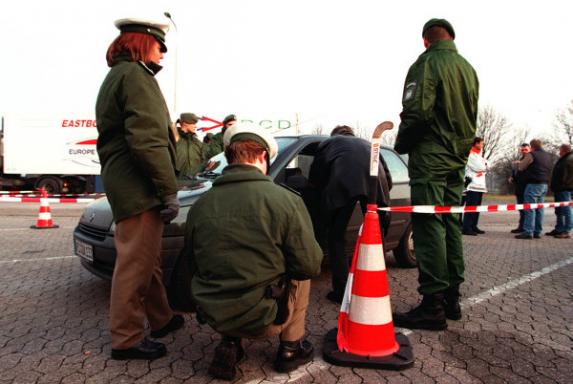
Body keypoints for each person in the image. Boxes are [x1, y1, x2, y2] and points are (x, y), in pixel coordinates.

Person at [183, 124, 323, 380]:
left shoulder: (199, 205)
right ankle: (291, 348)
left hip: (214, 313)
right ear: (262, 156)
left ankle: (230, 343)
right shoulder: (286, 201)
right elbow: (310, 266)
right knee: (301, 274)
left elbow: (192, 263)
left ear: (230, 157)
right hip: (265, 318)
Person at [95, 17, 184, 360]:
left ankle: (161, 319)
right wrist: (168, 189)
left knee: (149, 261)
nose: (163, 52)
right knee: (135, 264)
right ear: (141, 42)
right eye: (160, 45)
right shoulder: (135, 76)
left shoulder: (119, 75)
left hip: (129, 182)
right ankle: (127, 339)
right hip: (139, 184)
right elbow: (147, 141)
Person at [393, 18, 479, 330]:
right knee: (451, 223)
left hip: (431, 155)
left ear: (426, 41)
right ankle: (452, 298)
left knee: (429, 224)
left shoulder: (427, 64)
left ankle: (432, 305)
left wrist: (402, 143)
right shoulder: (468, 69)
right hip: (457, 157)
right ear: (451, 38)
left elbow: (417, 112)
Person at [308, 124, 392, 304]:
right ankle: (375, 285)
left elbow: (315, 177)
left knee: (336, 237)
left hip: (342, 184)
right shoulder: (368, 144)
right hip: (374, 184)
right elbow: (388, 177)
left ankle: (341, 290)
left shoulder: (329, 143)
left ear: (335, 134)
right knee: (377, 236)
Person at [514, 139, 553, 239]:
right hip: (544, 185)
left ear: (532, 147)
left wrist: (519, 163)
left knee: (529, 208)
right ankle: (537, 231)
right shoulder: (548, 156)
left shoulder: (532, 155)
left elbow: (521, 167)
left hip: (533, 184)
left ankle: (528, 232)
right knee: (539, 209)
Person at [462, 137, 488, 235]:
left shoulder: (479, 155)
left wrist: (485, 166)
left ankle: (473, 225)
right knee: (471, 207)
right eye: (481, 144)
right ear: (476, 144)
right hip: (473, 185)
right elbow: (480, 167)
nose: (482, 145)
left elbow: (487, 165)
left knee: (477, 208)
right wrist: (484, 166)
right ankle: (466, 227)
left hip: (480, 185)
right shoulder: (471, 154)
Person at [547, 144, 573, 238]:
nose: (559, 151)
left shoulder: (569, 159)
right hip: (559, 189)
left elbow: (568, 175)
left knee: (566, 210)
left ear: (564, 150)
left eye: (560, 149)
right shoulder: (564, 158)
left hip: (564, 189)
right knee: (559, 210)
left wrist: (564, 184)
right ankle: (559, 228)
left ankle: (566, 230)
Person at [509, 143, 531, 233]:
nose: (524, 152)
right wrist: (512, 177)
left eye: (526, 150)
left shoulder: (530, 160)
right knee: (521, 209)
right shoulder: (520, 160)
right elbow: (517, 173)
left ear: (530, 149)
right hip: (519, 188)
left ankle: (524, 228)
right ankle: (521, 226)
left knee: (526, 210)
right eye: (522, 150)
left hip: (526, 189)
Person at [175, 113, 204, 180]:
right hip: (177, 183)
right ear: (185, 124)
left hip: (194, 184)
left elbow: (204, 160)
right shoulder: (173, 139)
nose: (195, 126)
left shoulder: (197, 142)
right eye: (193, 124)